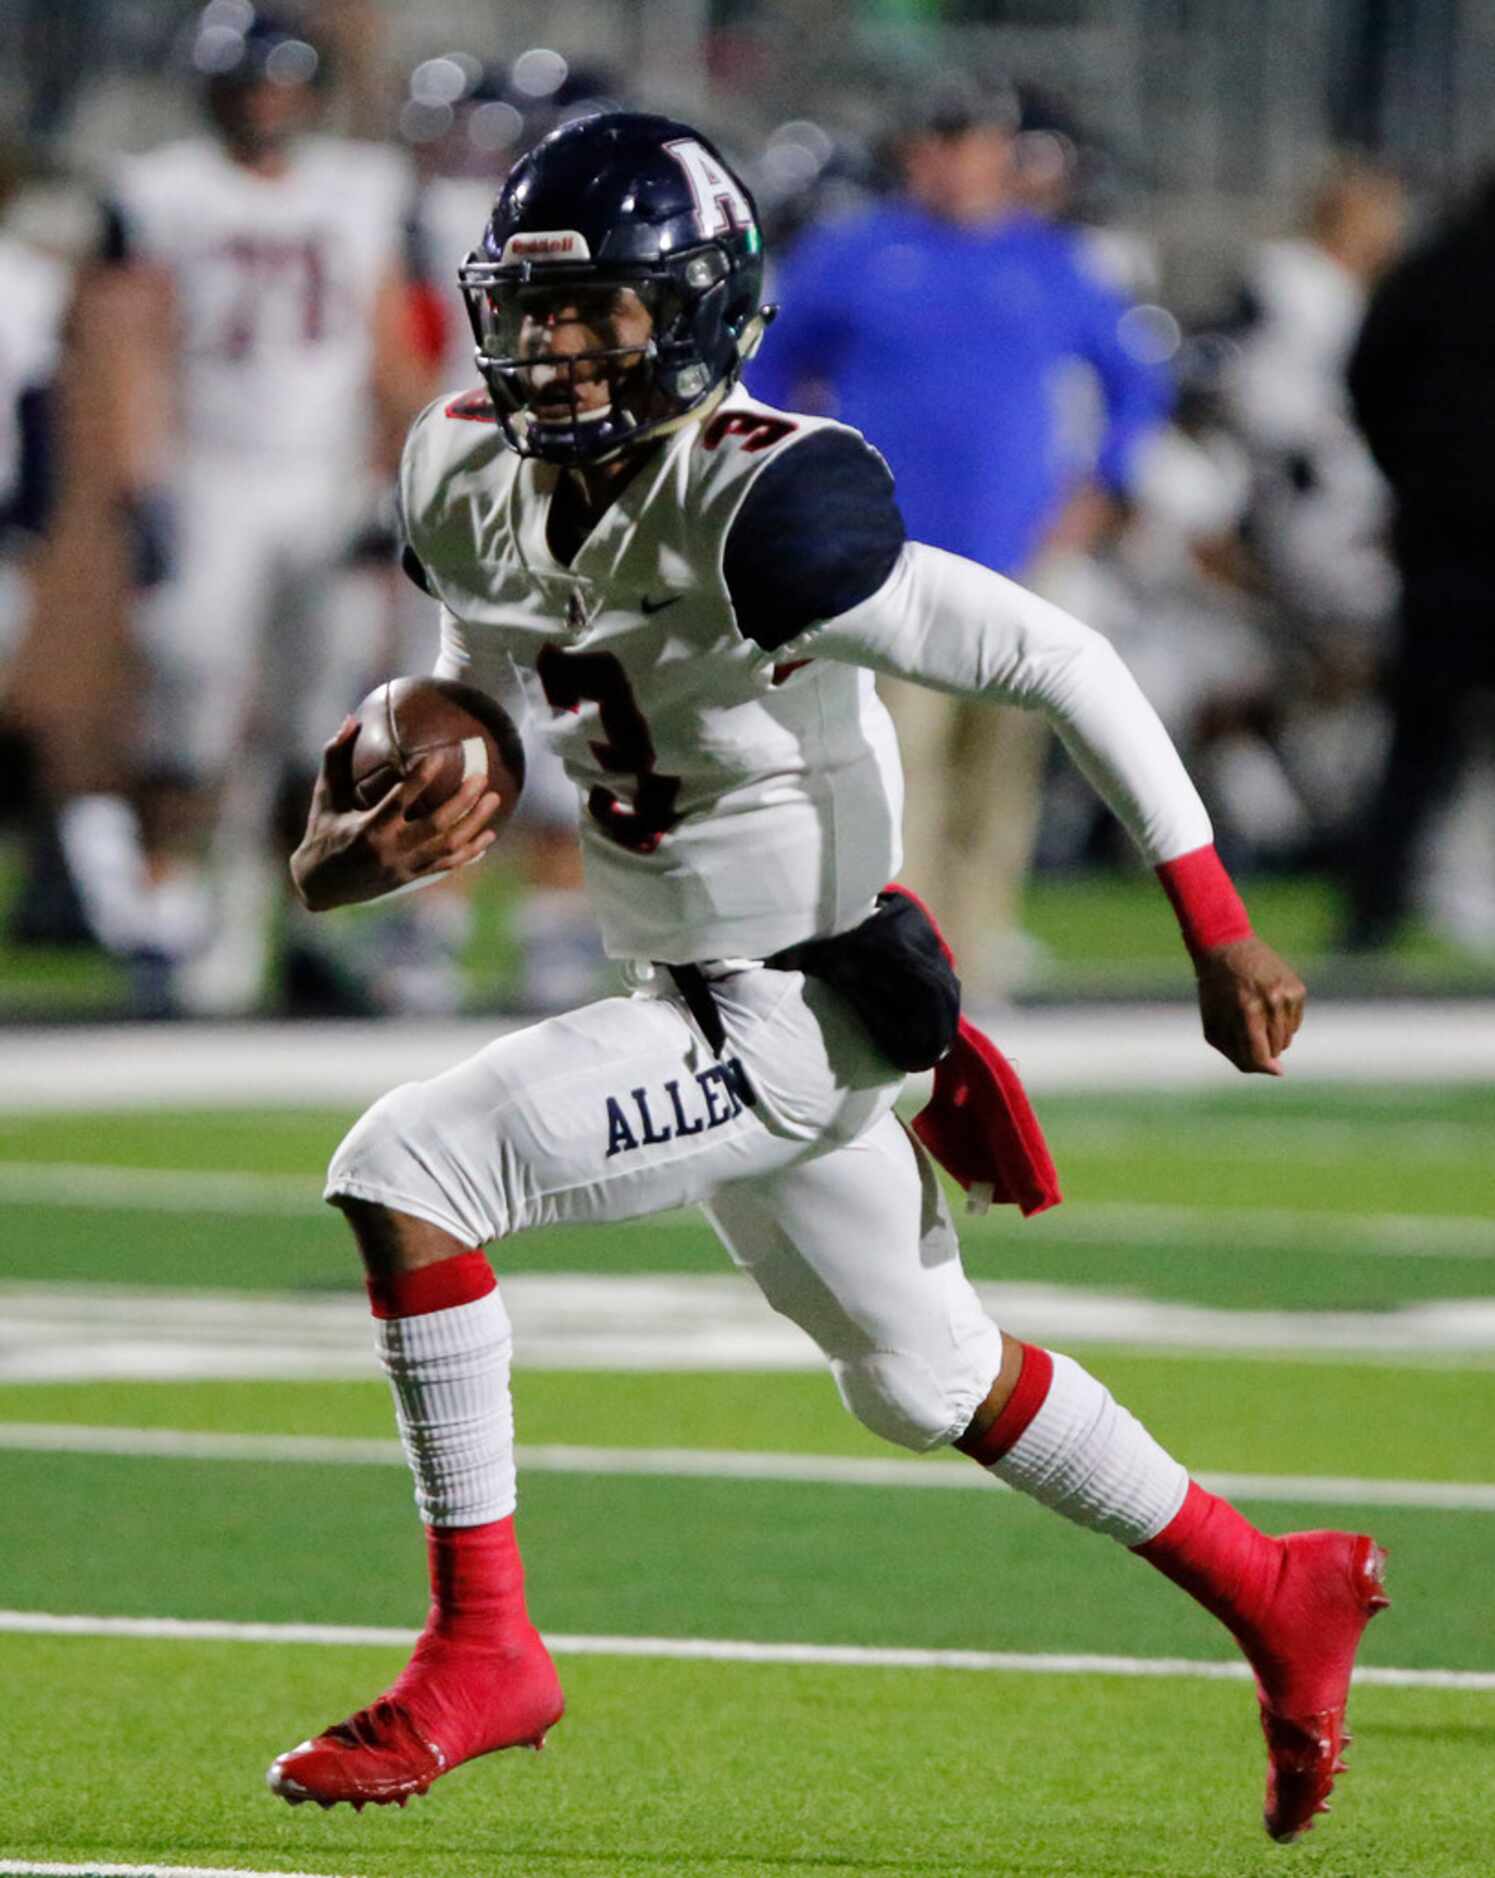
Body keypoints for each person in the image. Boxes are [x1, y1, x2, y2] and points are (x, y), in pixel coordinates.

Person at [270, 113, 1385, 1845]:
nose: (555, 349)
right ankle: (1278, 1585)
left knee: (405, 1164)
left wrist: (1214, 914)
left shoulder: (769, 501)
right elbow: (485, 654)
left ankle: (486, 1647)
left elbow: (1056, 654)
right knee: (925, 1376)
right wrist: (418, 769)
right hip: (731, 981)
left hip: (778, 1005)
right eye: (534, 310)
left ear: (700, 314)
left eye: (601, 315)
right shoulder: (467, 463)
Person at [749, 79, 1171, 1000]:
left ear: (1001, 152)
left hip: (1019, 553)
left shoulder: (1051, 260)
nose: (953, 159)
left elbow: (1138, 383)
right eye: (938, 139)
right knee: (898, 761)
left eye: (971, 139)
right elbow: (769, 362)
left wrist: (1105, 485)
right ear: (913, 153)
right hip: (887, 558)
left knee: (1001, 765)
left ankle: (976, 951)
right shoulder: (857, 252)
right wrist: (797, 470)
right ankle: (906, 950)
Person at [54, 3, 427, 1015]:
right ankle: (162, 920)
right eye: (250, 80)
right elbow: (124, 340)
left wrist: (401, 473)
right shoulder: (165, 189)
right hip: (210, 474)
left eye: (283, 80)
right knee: (186, 714)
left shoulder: (359, 192)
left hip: (324, 480)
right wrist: (140, 483)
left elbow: (389, 343)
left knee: (323, 729)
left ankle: (291, 928)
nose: (267, 100)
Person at [1342, 170, 1495, 952]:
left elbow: (1366, 384)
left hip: (1440, 542)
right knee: (1421, 741)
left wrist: (1415, 473)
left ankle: (1374, 911)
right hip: (1450, 540)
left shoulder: (1426, 275)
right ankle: (1380, 903)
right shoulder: (1430, 276)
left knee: (1418, 743)